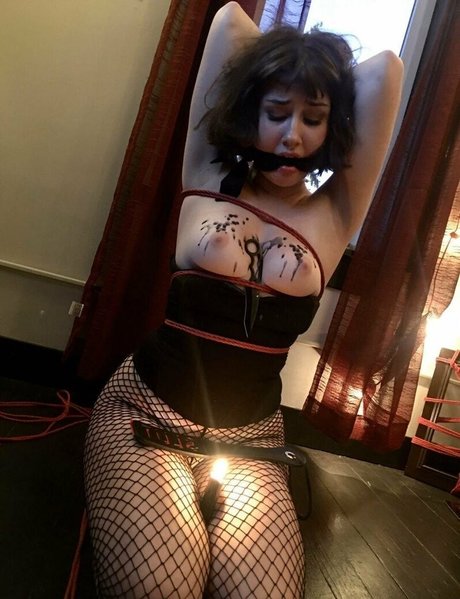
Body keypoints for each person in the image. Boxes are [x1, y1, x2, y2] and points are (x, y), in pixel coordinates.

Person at [83, 3, 403, 597]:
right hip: (146, 413)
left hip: (252, 439)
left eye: (313, 119)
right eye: (276, 113)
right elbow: (231, 21)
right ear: (248, 108)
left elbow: (386, 69)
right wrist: (281, 64)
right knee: (162, 590)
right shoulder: (205, 171)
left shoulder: (335, 213)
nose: (293, 135)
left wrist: (322, 66)